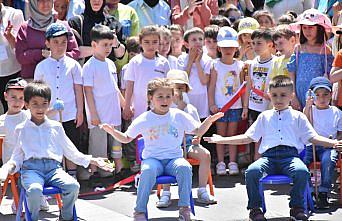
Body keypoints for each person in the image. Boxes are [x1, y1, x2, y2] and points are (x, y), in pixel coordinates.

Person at [204, 75, 342, 221]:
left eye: (283, 95)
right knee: (252, 171)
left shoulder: (298, 116)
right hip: (268, 158)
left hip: (290, 157)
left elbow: (313, 137)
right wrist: (222, 140)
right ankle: (255, 209)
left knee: (302, 171)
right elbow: (247, 137)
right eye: (274, 95)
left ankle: (297, 208)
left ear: (291, 96)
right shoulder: (264, 116)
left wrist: (332, 143)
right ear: (269, 95)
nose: (278, 99)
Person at [101, 78, 223, 221]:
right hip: (153, 160)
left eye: (168, 96)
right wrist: (112, 131)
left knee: (185, 167)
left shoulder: (178, 115)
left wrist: (208, 121)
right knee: (147, 170)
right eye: (160, 96)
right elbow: (126, 138)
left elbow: (197, 130)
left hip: (174, 159)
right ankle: (139, 211)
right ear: (150, 98)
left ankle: (185, 209)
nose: (164, 100)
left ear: (173, 97)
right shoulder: (145, 118)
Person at [0, 81, 113, 221]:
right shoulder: (21, 129)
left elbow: (71, 151)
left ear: (49, 104)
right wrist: (7, 169)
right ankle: (32, 218)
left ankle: (66, 217)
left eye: (44, 103)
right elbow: (17, 156)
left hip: (54, 169)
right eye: (35, 104)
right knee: (34, 190)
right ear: (27, 105)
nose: (40, 108)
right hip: (31, 170)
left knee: (73, 186)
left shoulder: (56, 127)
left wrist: (92, 160)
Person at [156, 70, 216, 208]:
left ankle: (202, 190)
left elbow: (197, 129)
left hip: (188, 144)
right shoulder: (164, 109)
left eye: (181, 88)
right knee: (166, 156)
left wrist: (197, 138)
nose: (178, 91)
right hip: (170, 146)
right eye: (175, 88)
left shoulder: (191, 109)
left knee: (205, 154)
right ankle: (166, 193)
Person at [34, 23, 84, 179]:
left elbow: (78, 89)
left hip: (69, 113)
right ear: (47, 43)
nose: (60, 46)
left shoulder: (73, 65)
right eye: (55, 42)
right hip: (49, 115)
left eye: (64, 42)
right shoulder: (41, 67)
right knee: (51, 145)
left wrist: (80, 111)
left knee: (70, 145)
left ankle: (72, 175)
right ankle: (54, 175)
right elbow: (37, 92)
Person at [83, 24, 125, 176]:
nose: (108, 48)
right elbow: (87, 91)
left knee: (116, 142)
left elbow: (115, 88)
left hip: (113, 112)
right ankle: (96, 172)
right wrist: (93, 114)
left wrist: (124, 105)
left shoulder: (111, 63)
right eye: (104, 45)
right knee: (98, 144)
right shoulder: (89, 66)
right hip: (99, 114)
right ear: (94, 45)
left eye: (110, 44)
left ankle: (118, 169)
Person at [208, 27, 247, 175]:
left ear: (236, 47)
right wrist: (212, 104)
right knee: (220, 135)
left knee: (232, 135)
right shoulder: (215, 65)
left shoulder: (240, 65)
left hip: (236, 106)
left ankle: (232, 162)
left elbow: (243, 87)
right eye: (224, 47)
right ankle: (220, 162)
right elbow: (211, 87)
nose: (228, 50)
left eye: (231, 46)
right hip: (220, 107)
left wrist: (244, 107)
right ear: (218, 47)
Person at [15, 0, 80, 80]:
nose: (45, 4)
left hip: (61, 81)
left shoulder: (62, 25)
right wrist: (41, 53)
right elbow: (20, 57)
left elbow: (75, 52)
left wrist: (56, 56)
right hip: (33, 82)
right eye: (41, 1)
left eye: (48, 0)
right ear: (33, 3)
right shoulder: (25, 28)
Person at [303, 77, 342, 209]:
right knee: (300, 163)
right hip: (311, 146)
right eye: (317, 95)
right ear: (312, 96)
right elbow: (305, 124)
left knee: (329, 160)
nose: (322, 98)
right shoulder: (309, 110)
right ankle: (309, 191)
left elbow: (340, 132)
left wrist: (338, 142)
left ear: (331, 95)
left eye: (325, 94)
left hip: (329, 146)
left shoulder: (336, 112)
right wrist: (308, 106)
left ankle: (323, 192)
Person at [287, 8, 334, 110]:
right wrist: (293, 95)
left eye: (311, 28)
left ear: (319, 28)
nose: (307, 31)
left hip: (318, 95)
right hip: (299, 93)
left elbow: (329, 74)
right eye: (304, 28)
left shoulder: (325, 50)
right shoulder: (298, 48)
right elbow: (292, 72)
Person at [123, 25, 170, 121]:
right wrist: (127, 106)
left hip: (160, 111)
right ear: (140, 43)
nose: (151, 46)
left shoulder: (164, 62)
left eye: (154, 42)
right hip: (139, 110)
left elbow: (169, 86)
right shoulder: (135, 62)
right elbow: (129, 86)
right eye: (147, 42)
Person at [243, 28, 274, 160]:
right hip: (253, 106)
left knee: (267, 135)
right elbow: (248, 85)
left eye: (259, 43)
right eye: (253, 43)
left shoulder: (275, 62)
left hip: (268, 106)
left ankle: (265, 161)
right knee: (255, 136)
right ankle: (256, 161)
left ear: (270, 44)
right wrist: (245, 107)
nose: (255, 46)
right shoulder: (253, 63)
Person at [177, 27, 211, 120]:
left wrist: (197, 62)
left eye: (200, 39)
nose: (198, 42)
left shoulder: (207, 60)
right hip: (187, 98)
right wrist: (191, 60)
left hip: (202, 100)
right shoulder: (181, 59)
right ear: (187, 44)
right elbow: (182, 80)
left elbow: (204, 81)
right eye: (194, 40)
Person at [0, 1, 24, 113]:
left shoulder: (14, 14)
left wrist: (10, 37)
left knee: (14, 111)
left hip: (12, 72)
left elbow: (21, 48)